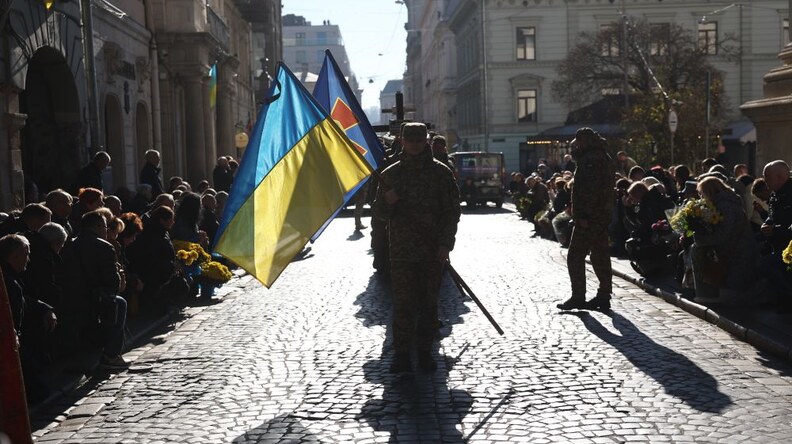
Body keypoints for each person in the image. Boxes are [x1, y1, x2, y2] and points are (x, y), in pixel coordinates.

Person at [373, 122, 460, 373]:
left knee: (429, 303)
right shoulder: (390, 175)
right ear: (402, 142)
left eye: (419, 141)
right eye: (410, 141)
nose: (414, 145)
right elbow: (379, 214)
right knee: (403, 303)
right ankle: (401, 353)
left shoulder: (441, 174)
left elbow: (451, 212)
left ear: (426, 142)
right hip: (401, 251)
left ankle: (424, 351)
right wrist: (388, 203)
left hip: (432, 251)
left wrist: (445, 245)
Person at [60, 211, 129, 370]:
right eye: (105, 227)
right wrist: (119, 276)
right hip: (95, 300)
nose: (106, 231)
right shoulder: (104, 247)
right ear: (98, 227)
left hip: (71, 298)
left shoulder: (69, 244)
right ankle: (111, 355)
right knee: (120, 303)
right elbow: (112, 282)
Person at [557, 128, 614, 311]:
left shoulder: (590, 160)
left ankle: (578, 296)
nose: (575, 147)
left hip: (589, 219)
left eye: (577, 143)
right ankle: (603, 296)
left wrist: (582, 216)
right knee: (600, 257)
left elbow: (589, 192)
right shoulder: (604, 157)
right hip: (600, 216)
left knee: (575, 256)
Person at [0, 234, 57, 403]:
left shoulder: (10, 278)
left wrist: (45, 309)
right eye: (26, 255)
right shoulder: (9, 282)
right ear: (14, 256)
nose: (29, 259)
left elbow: (25, 300)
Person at [759, 160, 792, 302]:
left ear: (779, 177)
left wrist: (775, 230)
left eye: (768, 178)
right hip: (777, 243)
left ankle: (787, 298)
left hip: (788, 245)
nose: (765, 182)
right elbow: (772, 216)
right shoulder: (774, 195)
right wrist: (766, 225)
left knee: (768, 264)